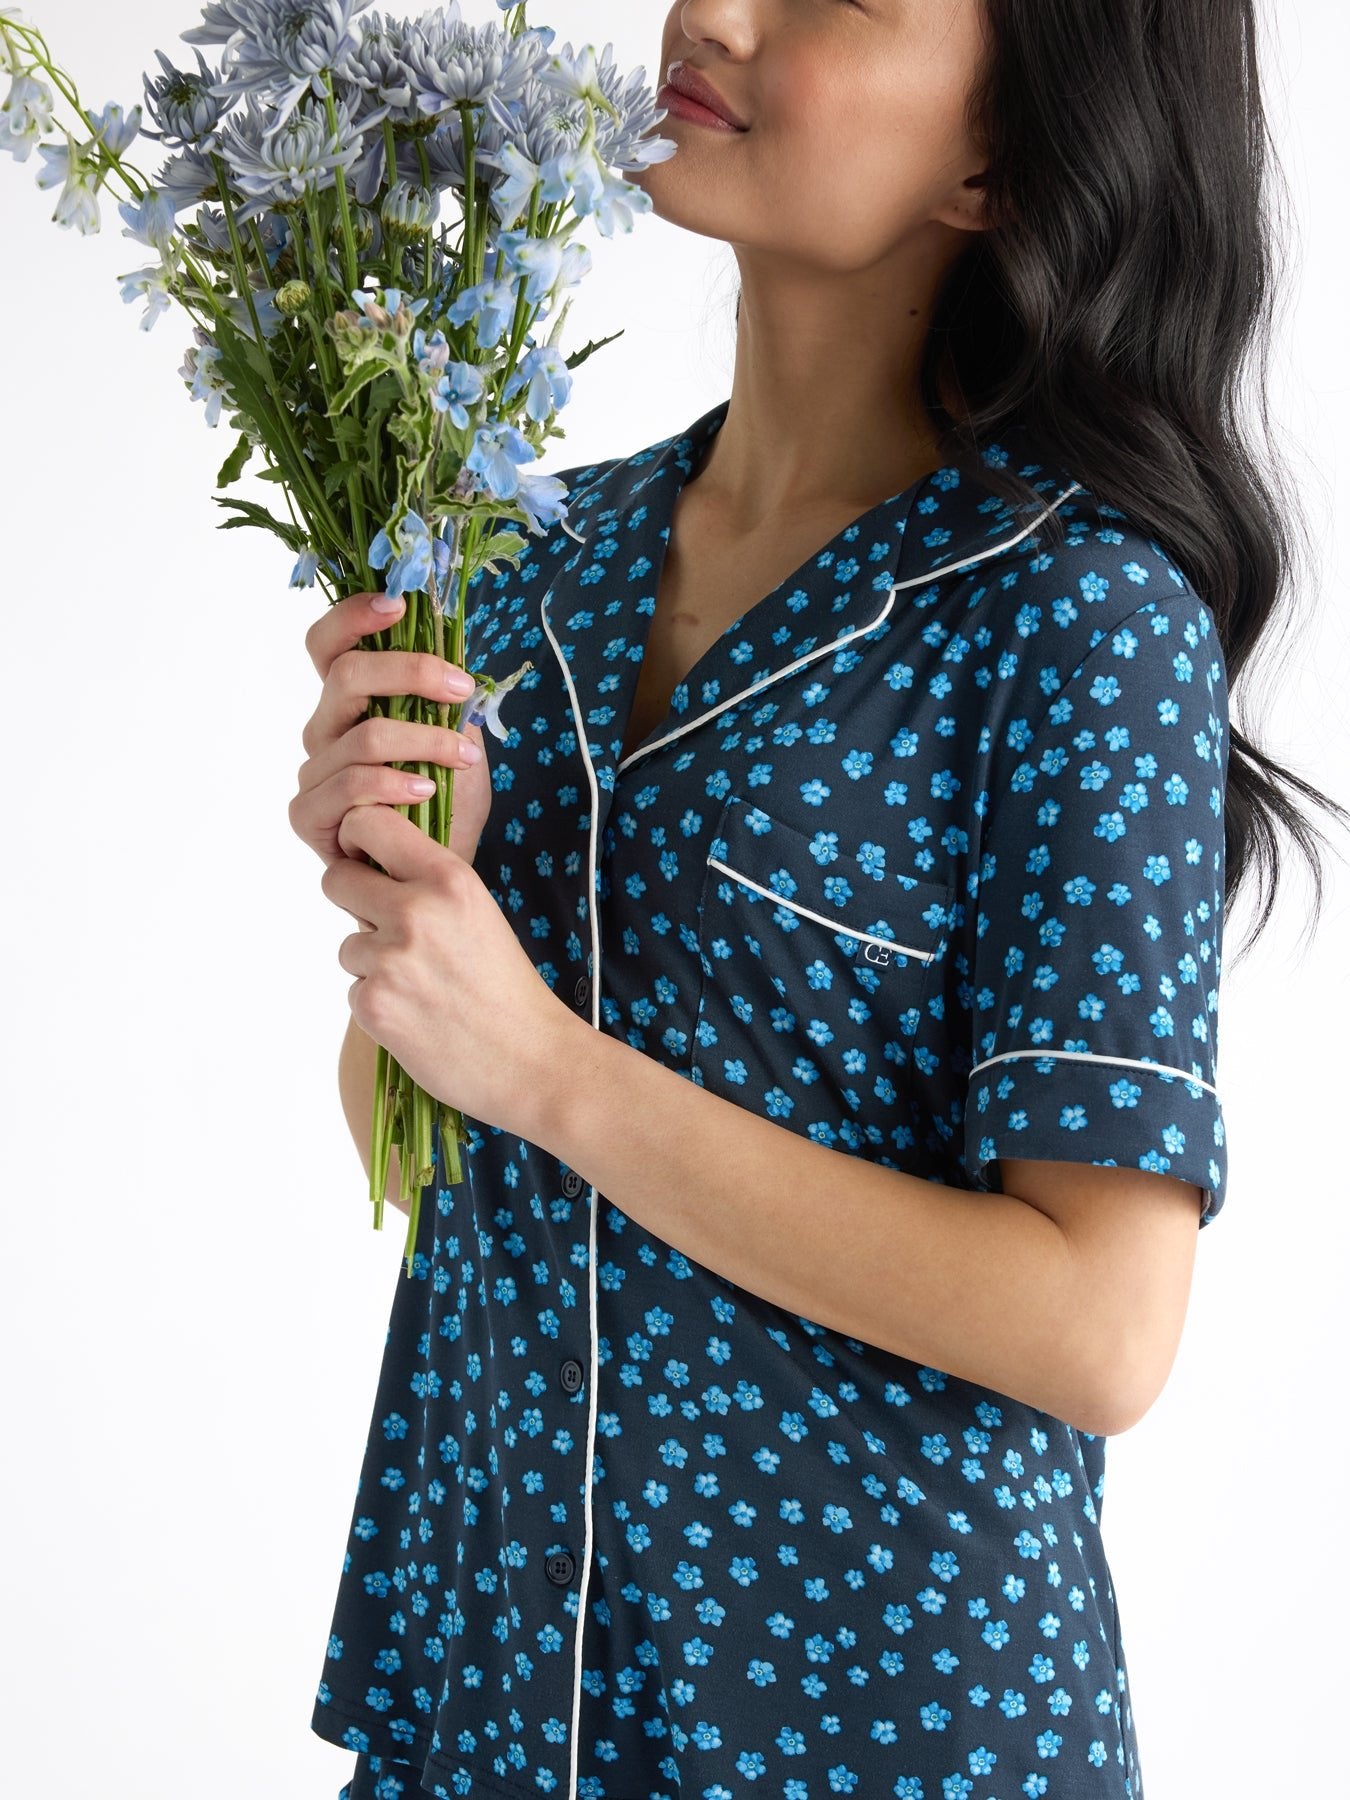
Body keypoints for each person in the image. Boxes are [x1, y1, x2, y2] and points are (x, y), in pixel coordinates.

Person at [290, 4, 1346, 1798]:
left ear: (1002, 154)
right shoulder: (536, 553)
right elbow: (444, 1159)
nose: (712, 13)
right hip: (496, 1697)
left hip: (865, 1735)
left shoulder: (1073, 617)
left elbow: (1099, 1327)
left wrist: (549, 1066)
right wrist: (414, 904)